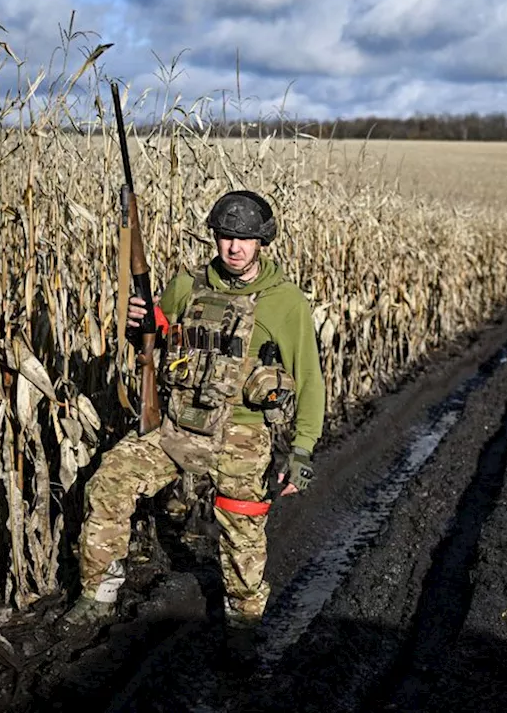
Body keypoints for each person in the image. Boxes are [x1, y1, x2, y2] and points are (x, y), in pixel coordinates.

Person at [60, 190, 325, 632]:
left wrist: (301, 452)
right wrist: (141, 325)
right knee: (110, 480)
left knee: (243, 531)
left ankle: (243, 623)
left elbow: (311, 379)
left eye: (244, 239)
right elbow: (153, 340)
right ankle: (98, 595)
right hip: (177, 426)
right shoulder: (188, 285)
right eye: (224, 237)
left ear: (262, 242)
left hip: (242, 433)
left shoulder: (285, 301)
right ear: (214, 238)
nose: (234, 248)